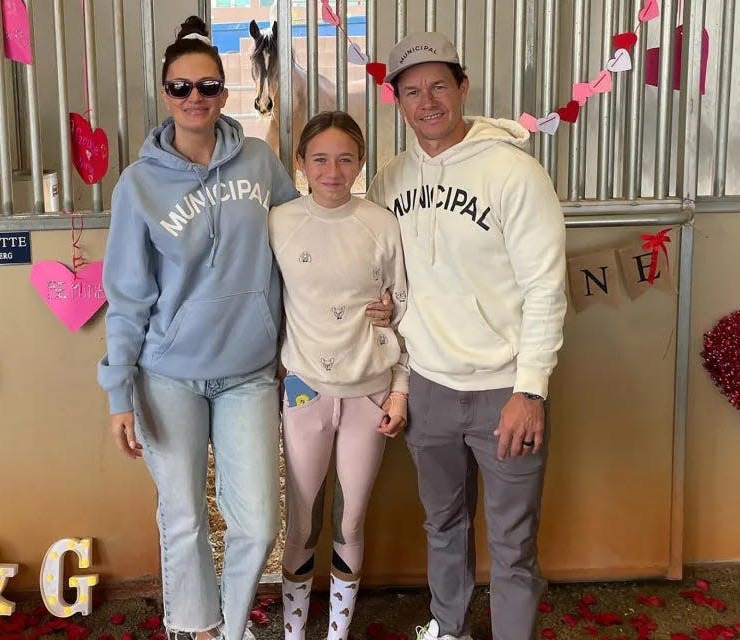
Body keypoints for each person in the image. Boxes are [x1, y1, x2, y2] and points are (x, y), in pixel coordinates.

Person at [98, 17, 393, 640]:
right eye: (182, 88)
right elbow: (125, 295)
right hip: (168, 375)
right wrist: (118, 391)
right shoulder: (139, 185)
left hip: (251, 374)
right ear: (165, 94)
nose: (195, 98)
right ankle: (198, 630)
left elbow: (307, 235)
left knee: (257, 523)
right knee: (184, 518)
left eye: (207, 86)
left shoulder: (258, 162)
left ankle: (233, 628)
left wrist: (372, 291)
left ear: (223, 92)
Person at [366, 32, 567, 640]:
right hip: (427, 387)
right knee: (443, 524)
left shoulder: (516, 173)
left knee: (512, 541)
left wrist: (530, 390)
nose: (426, 101)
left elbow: (545, 289)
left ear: (463, 88)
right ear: (396, 102)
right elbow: (386, 278)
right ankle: (447, 626)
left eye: (438, 86)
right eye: (410, 91)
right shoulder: (388, 180)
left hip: (504, 391)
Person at [268, 111, 409, 640]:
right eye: (320, 159)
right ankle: (293, 631)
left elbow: (406, 308)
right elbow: (262, 306)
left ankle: (337, 632)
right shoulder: (279, 222)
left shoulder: (381, 223)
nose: (333, 171)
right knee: (301, 520)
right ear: (300, 162)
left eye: (345, 159)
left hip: (369, 394)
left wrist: (400, 389)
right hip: (304, 391)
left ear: (360, 163)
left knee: (350, 519)